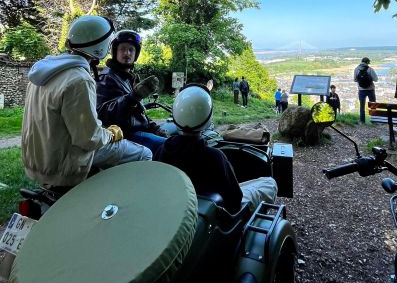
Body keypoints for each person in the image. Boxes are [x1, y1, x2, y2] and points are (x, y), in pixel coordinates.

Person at [21, 16, 152, 189]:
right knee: (145, 154)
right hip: (63, 163)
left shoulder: (45, 71)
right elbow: (89, 139)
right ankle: (126, 201)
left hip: (38, 161)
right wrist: (111, 134)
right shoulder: (79, 79)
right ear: (102, 46)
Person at [157, 84, 277, 213]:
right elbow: (235, 199)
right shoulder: (214, 156)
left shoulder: (163, 149)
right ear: (208, 118)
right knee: (269, 183)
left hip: (177, 210)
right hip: (215, 216)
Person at [96, 30, 166, 158]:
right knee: (168, 147)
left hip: (137, 130)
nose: (126, 53)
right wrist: (132, 97)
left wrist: (154, 127)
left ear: (136, 54)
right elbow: (103, 115)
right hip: (123, 135)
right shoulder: (107, 77)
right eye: (122, 49)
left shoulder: (128, 78)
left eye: (131, 50)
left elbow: (138, 112)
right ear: (115, 51)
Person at [354, 57, 378, 123]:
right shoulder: (370, 69)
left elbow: (355, 80)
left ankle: (362, 121)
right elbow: (376, 79)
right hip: (370, 90)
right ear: (367, 62)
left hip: (361, 90)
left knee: (362, 107)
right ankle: (374, 120)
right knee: (373, 106)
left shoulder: (356, 69)